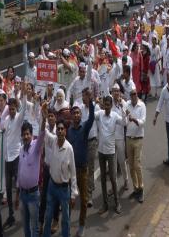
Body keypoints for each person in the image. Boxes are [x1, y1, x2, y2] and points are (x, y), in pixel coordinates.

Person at [42, 108, 78, 237]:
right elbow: (44, 131)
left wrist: (73, 194)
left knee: (66, 219)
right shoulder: (53, 141)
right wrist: (43, 116)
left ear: (65, 131)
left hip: (64, 189)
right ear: (56, 131)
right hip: (52, 186)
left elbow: (73, 173)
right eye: (58, 129)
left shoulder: (69, 149)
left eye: (62, 129)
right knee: (48, 216)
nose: (60, 131)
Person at [67, 96, 95, 237]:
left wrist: (90, 102)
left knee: (84, 200)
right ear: (72, 116)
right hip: (71, 171)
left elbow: (91, 118)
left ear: (80, 115)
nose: (76, 115)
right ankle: (66, 225)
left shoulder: (85, 128)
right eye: (74, 113)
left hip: (83, 170)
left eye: (78, 113)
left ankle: (81, 226)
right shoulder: (69, 131)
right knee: (69, 200)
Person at [2, 85, 27, 230]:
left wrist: (22, 95)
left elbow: (23, 110)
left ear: (15, 108)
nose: (11, 111)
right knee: (8, 187)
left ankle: (24, 213)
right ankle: (11, 215)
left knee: (20, 186)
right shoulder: (6, 120)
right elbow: (0, 127)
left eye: (13, 109)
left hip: (17, 156)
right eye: (9, 109)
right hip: (7, 158)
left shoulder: (18, 118)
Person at [95, 95, 126, 214]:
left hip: (111, 152)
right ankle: (105, 204)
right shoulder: (100, 114)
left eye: (108, 105)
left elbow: (124, 123)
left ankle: (117, 203)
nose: (106, 107)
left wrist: (123, 109)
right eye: (105, 105)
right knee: (103, 178)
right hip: (101, 151)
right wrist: (95, 103)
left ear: (111, 105)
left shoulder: (115, 116)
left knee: (113, 178)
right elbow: (92, 116)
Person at [15, 121, 45, 237]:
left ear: (31, 135)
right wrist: (17, 195)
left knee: (35, 227)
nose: (26, 136)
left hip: (33, 195)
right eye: (24, 134)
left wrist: (44, 119)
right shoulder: (21, 149)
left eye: (28, 134)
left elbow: (42, 134)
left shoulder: (36, 146)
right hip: (23, 195)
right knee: (25, 226)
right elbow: (19, 171)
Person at [126, 89, 147, 203]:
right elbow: (124, 121)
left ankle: (141, 188)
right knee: (131, 166)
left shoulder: (142, 106)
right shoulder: (127, 105)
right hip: (128, 138)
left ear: (137, 95)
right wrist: (126, 117)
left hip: (138, 139)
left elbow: (143, 122)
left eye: (134, 94)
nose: (133, 96)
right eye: (131, 94)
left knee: (137, 165)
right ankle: (135, 188)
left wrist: (134, 119)